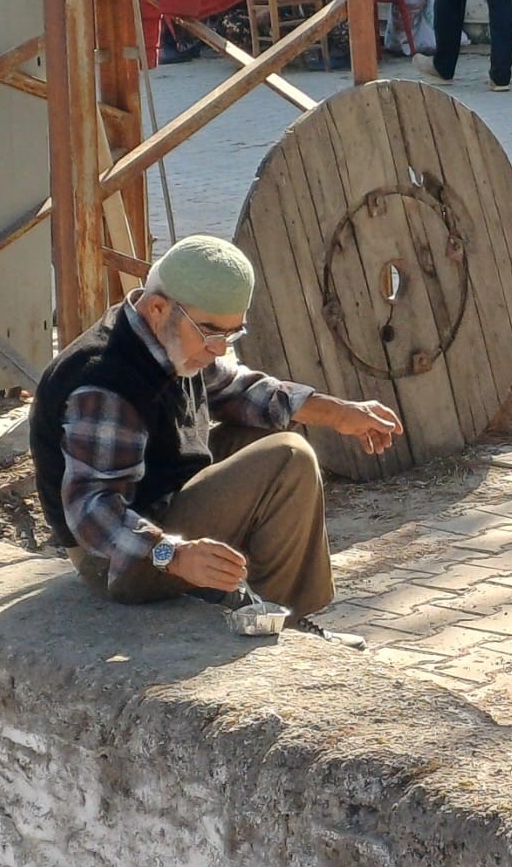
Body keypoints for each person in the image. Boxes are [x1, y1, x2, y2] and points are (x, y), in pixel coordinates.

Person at [30, 235, 403, 645]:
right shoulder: (105, 385)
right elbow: (90, 510)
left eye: (231, 333)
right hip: (115, 560)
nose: (219, 348)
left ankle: (272, 614)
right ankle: (274, 634)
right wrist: (173, 555)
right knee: (288, 458)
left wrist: (341, 414)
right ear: (158, 308)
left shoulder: (166, 335)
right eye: (209, 332)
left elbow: (239, 390)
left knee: (266, 435)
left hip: (160, 508)